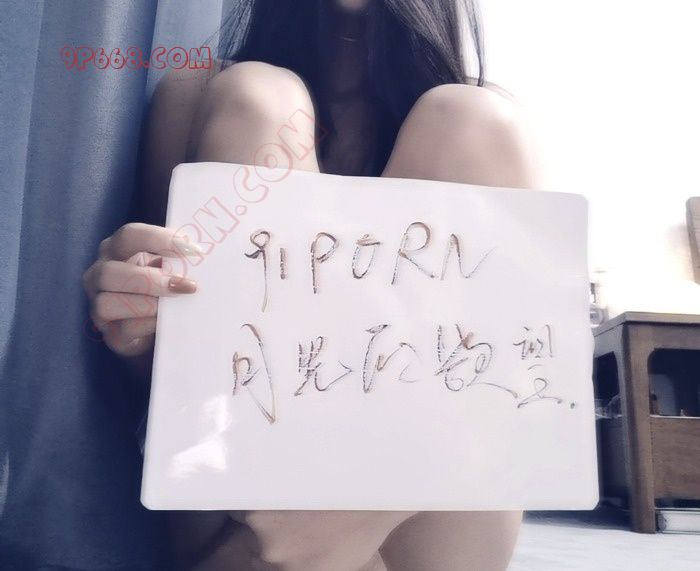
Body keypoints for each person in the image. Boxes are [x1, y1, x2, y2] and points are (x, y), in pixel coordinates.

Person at [83, 0, 540, 568]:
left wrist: (379, 494)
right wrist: (135, 326)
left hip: (420, 506)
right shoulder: (201, 95)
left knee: (473, 120)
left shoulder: (484, 125)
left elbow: (519, 392)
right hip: (248, 511)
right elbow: (168, 379)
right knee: (255, 97)